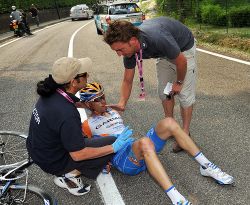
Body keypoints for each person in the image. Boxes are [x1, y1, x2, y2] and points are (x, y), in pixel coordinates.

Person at [80, 82, 234, 205]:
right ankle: (177, 199)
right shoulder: (87, 124)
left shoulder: (113, 111)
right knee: (145, 142)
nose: (102, 101)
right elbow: (82, 149)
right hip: (122, 158)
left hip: (137, 148)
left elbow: (121, 97)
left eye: (103, 96)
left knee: (169, 122)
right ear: (87, 104)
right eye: (96, 100)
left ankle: (206, 166)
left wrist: (110, 106)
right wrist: (101, 162)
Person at [26, 57, 133, 196]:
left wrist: (92, 104)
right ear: (73, 82)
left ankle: (68, 171)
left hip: (37, 149)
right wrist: (113, 148)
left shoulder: (51, 92)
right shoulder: (67, 113)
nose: (87, 75)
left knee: (83, 138)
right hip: (52, 161)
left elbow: (71, 104)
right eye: (84, 75)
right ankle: (69, 175)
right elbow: (78, 155)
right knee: (111, 142)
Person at [104, 16, 198, 153]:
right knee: (164, 93)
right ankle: (170, 126)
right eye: (116, 51)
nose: (119, 54)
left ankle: (185, 133)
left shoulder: (157, 38)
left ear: (133, 41)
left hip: (183, 49)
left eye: (120, 50)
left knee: (185, 95)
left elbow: (181, 62)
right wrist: (122, 102)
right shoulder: (129, 51)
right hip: (165, 53)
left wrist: (178, 82)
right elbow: (127, 79)